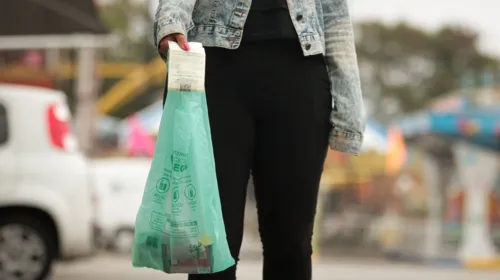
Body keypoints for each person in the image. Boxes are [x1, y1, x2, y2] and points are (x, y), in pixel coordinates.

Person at [155, 0, 365, 279]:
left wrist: (348, 106)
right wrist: (171, 21)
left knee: (292, 243)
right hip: (216, 73)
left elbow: (334, 12)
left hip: (299, 76)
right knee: (211, 243)